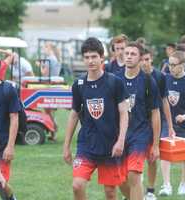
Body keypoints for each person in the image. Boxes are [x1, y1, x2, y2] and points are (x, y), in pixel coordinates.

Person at [63, 37, 129, 200]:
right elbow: (74, 114)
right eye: (86, 57)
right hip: (87, 143)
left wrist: (120, 141)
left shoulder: (115, 82)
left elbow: (124, 113)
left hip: (110, 145)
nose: (90, 61)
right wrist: (66, 146)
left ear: (102, 58)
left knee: (110, 192)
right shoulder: (78, 84)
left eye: (94, 57)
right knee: (77, 185)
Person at [117, 42, 161, 200]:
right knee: (120, 180)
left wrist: (155, 145)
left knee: (134, 176)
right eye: (126, 53)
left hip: (140, 135)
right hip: (120, 136)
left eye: (133, 54)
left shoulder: (149, 82)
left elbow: (156, 114)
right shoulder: (115, 79)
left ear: (141, 58)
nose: (128, 56)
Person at [140, 47, 175, 199]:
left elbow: (164, 101)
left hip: (154, 122)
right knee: (133, 158)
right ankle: (134, 189)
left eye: (147, 59)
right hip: (136, 123)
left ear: (151, 59)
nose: (145, 63)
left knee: (152, 157)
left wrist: (170, 125)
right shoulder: (132, 77)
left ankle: (150, 190)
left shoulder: (160, 77)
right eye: (143, 60)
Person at [164, 50, 185, 195]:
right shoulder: (166, 79)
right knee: (164, 152)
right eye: (169, 64)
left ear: (183, 65)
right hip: (167, 123)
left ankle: (183, 183)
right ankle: (166, 184)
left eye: (174, 65)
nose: (170, 67)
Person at [0, 55, 21, 200]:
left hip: (2, 146)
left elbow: (14, 118)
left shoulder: (7, 89)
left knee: (1, 184)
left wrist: (10, 146)